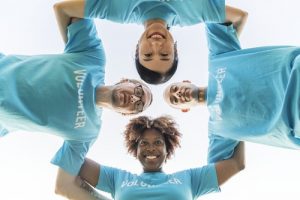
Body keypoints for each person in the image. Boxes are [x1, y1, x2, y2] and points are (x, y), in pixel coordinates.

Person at [0, 10, 152, 200]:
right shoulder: (93, 58)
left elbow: (64, 186)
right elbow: (69, 9)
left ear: (125, 113)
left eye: (139, 106)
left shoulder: (88, 132)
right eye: (138, 91)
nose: (135, 99)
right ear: (125, 80)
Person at [163, 6, 300, 164]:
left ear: (186, 82)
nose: (178, 94)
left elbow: (231, 16)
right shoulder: (218, 131)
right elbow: (220, 169)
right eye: (174, 100)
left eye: (174, 89)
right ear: (184, 108)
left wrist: (179, 11)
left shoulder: (218, 57)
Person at [53, 0, 241, 84]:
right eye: (165, 54)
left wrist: (74, 57)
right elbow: (239, 17)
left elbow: (63, 9)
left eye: (148, 55)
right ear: (176, 50)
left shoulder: (118, 11)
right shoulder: (195, 15)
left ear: (137, 49)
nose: (157, 45)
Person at [73, 116, 244, 200]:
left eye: (158, 142)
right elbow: (74, 160)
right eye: (144, 143)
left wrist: (244, 122)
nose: (151, 148)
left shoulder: (190, 178)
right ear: (136, 149)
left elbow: (237, 163)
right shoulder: (117, 178)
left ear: (167, 148)